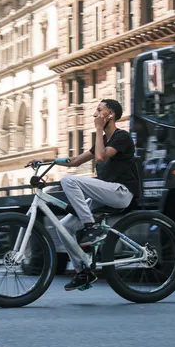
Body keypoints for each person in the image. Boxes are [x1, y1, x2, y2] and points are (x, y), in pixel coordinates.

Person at [53, 98, 141, 291]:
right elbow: (75, 161)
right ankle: (83, 272)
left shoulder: (122, 137)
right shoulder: (101, 142)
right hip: (105, 193)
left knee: (69, 180)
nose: (94, 114)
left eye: (99, 110)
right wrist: (48, 161)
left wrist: (99, 129)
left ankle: (90, 227)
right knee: (63, 227)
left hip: (121, 192)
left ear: (110, 115)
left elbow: (101, 157)